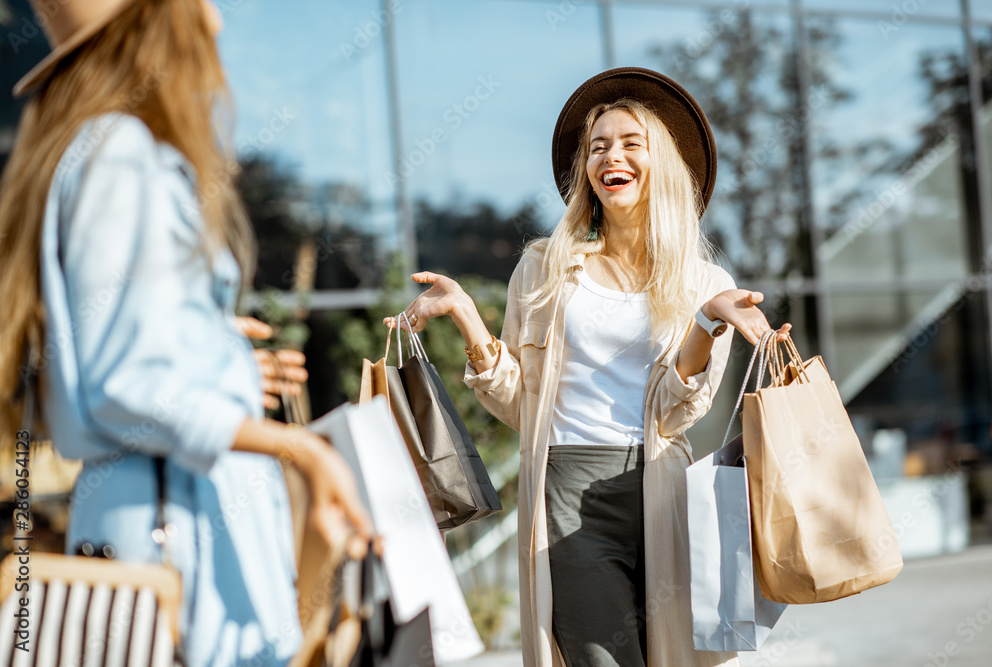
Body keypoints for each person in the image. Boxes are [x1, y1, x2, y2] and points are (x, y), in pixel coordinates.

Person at [0, 1, 371, 665]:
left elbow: (86, 369)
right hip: (178, 538)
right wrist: (303, 450)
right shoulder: (123, 155)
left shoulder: (90, 150)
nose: (216, 20)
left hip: (151, 523)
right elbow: (125, 384)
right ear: (151, 22)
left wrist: (213, 353)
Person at [391, 68, 791, 667]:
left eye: (631, 143)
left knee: (673, 656)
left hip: (662, 488)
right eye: (598, 146)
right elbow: (518, 404)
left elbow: (677, 412)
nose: (611, 155)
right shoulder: (545, 269)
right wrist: (468, 318)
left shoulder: (707, 284)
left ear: (664, 165)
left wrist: (707, 323)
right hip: (567, 490)